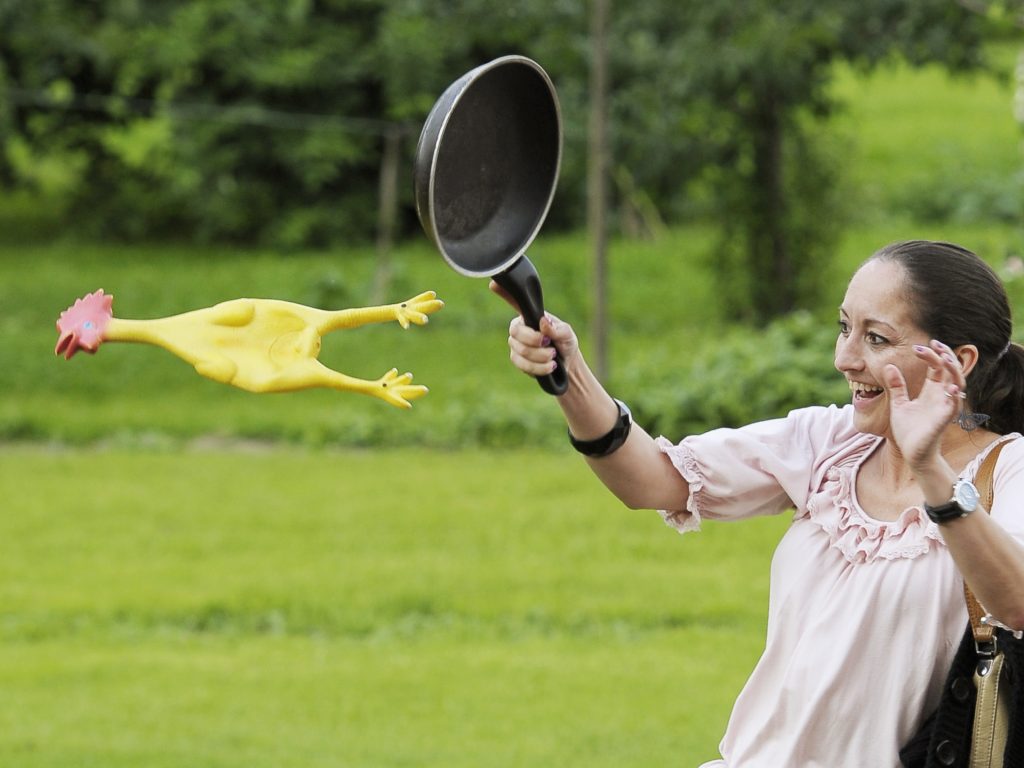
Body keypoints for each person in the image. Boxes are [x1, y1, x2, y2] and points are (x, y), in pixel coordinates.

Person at [491, 240, 1024, 767]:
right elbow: (650, 481)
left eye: (876, 338)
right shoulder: (829, 442)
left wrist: (929, 467)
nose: (844, 358)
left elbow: (1016, 602)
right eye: (844, 328)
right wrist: (569, 375)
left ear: (957, 361)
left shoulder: (1008, 469)